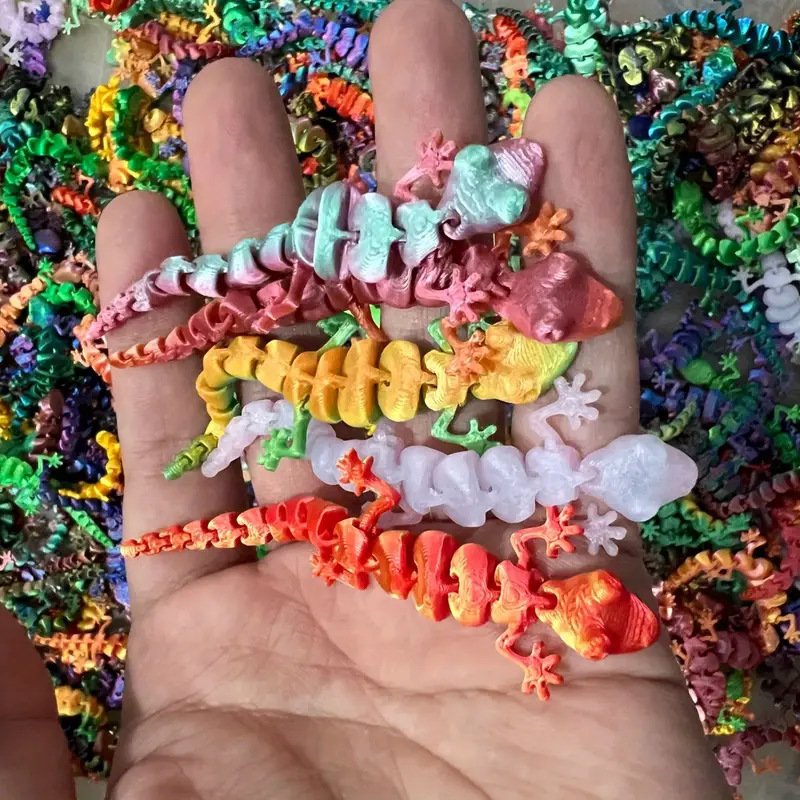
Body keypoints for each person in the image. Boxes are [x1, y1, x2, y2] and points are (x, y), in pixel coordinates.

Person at [1, 0, 733, 797]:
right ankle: (150, 334)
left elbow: (493, 529)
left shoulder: (525, 559)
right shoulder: (525, 562)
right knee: (221, 322)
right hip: (369, 383)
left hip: (389, 478)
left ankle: (162, 347)